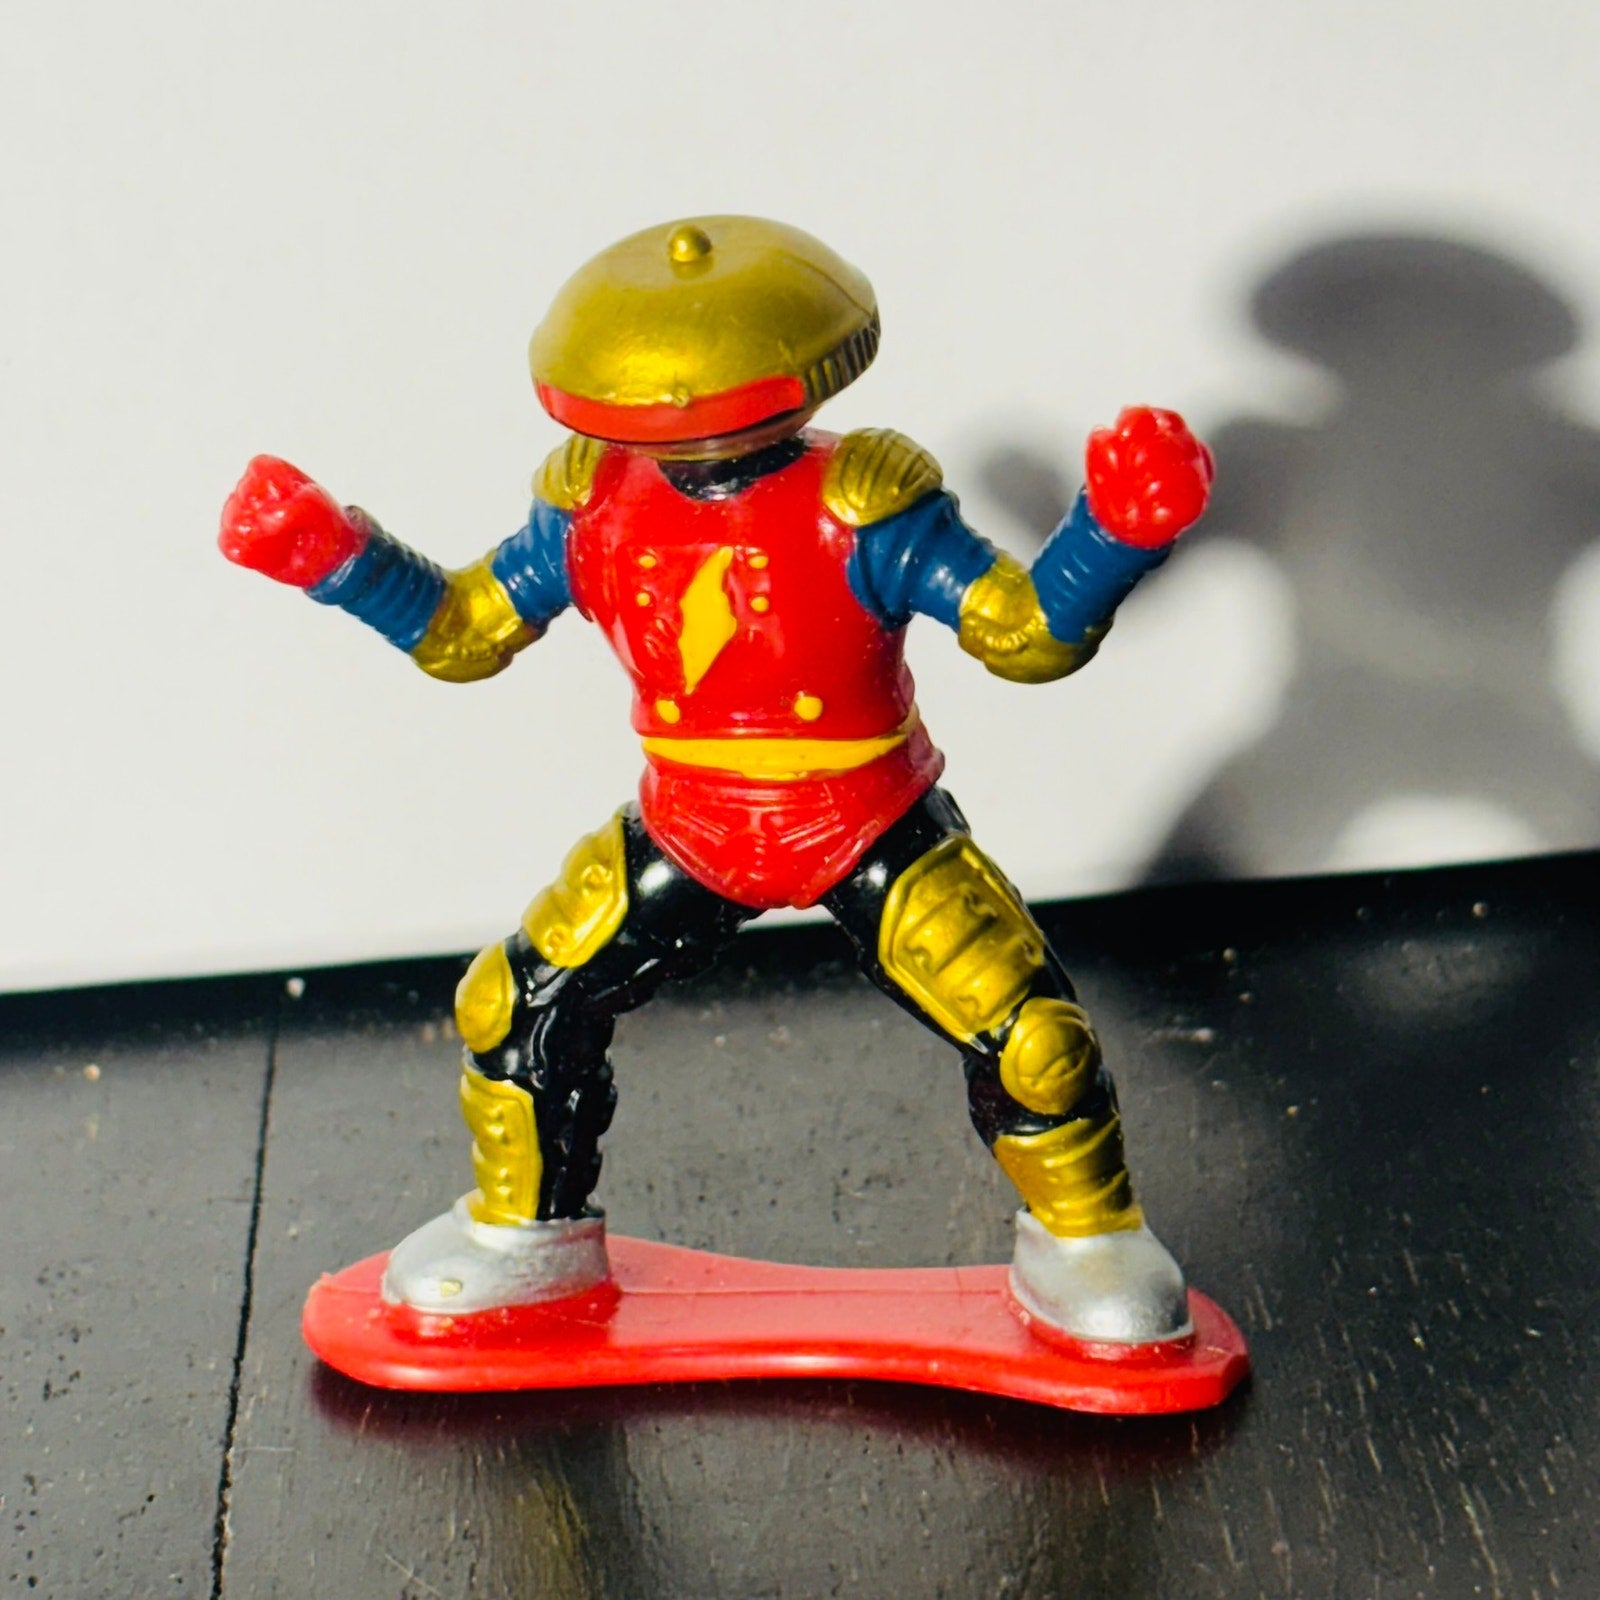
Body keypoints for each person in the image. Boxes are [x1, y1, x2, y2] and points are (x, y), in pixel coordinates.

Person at [219, 215, 1213, 1344]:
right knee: (516, 1004)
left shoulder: (863, 502)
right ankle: (522, 1237)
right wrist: (336, 557)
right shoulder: (589, 502)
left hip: (864, 815)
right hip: (690, 821)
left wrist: (1110, 536)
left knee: (1032, 1038)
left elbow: (1023, 633)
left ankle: (1090, 1244)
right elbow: (463, 630)